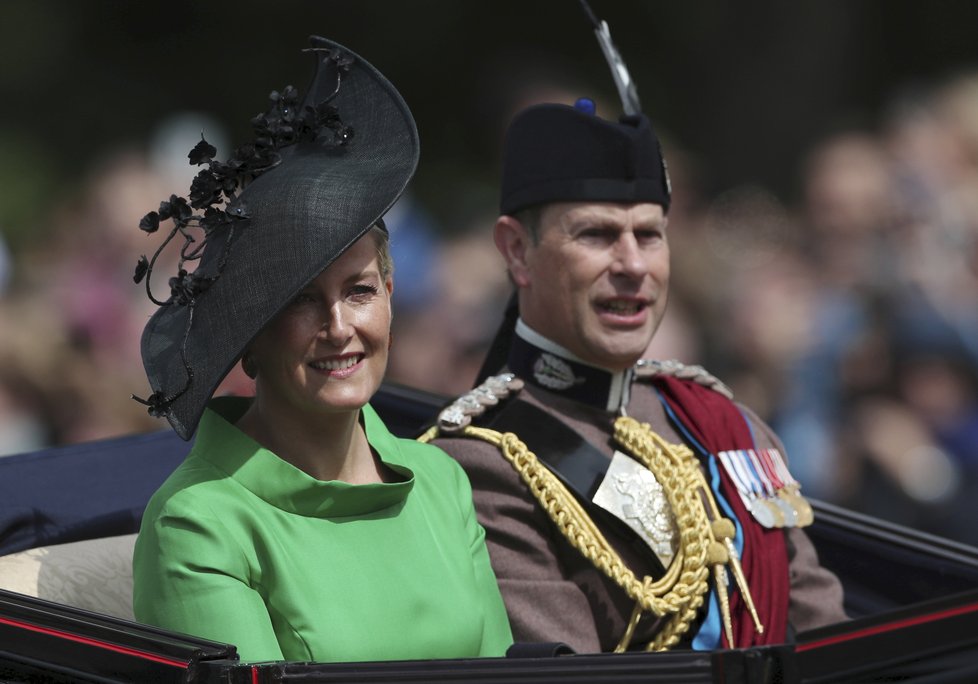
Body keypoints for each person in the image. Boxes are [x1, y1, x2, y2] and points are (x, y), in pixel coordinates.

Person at [131, 36, 512, 663]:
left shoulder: (442, 481)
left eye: (359, 291)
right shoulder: (198, 523)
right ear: (247, 336)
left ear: (390, 296)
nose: (338, 327)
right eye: (300, 301)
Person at [423, 98, 847, 653]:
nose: (633, 265)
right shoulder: (482, 463)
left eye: (649, 235)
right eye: (597, 235)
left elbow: (827, 634)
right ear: (518, 251)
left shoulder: (721, 422)